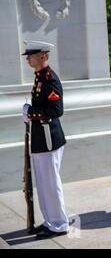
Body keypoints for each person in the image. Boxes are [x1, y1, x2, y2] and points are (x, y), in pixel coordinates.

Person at [21, 40, 69, 239]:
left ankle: (60, 224)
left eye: (31, 55)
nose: (28, 58)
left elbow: (57, 110)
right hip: (41, 138)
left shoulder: (50, 79)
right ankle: (50, 220)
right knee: (42, 183)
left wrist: (30, 111)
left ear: (43, 56)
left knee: (51, 182)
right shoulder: (40, 78)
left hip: (50, 138)